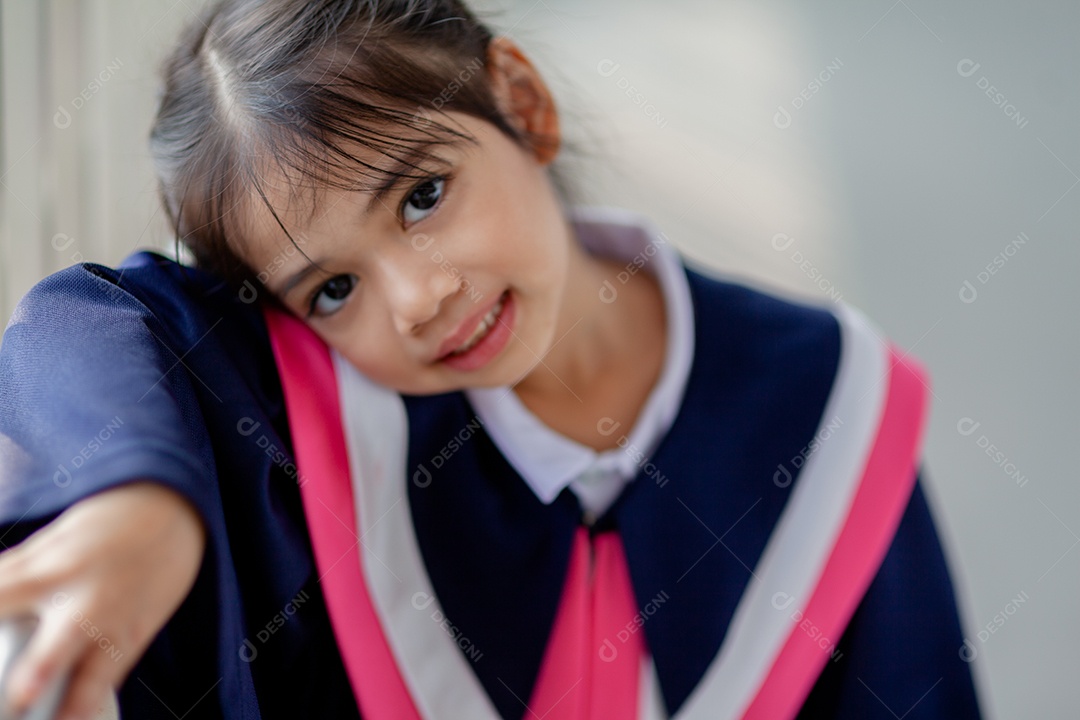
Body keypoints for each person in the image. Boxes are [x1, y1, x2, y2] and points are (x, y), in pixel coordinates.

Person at [0, 0, 982, 718]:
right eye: (333, 288)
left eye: (423, 195)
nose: (419, 298)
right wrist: (136, 504)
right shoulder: (316, 413)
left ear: (522, 102)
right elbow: (87, 323)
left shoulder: (820, 401)